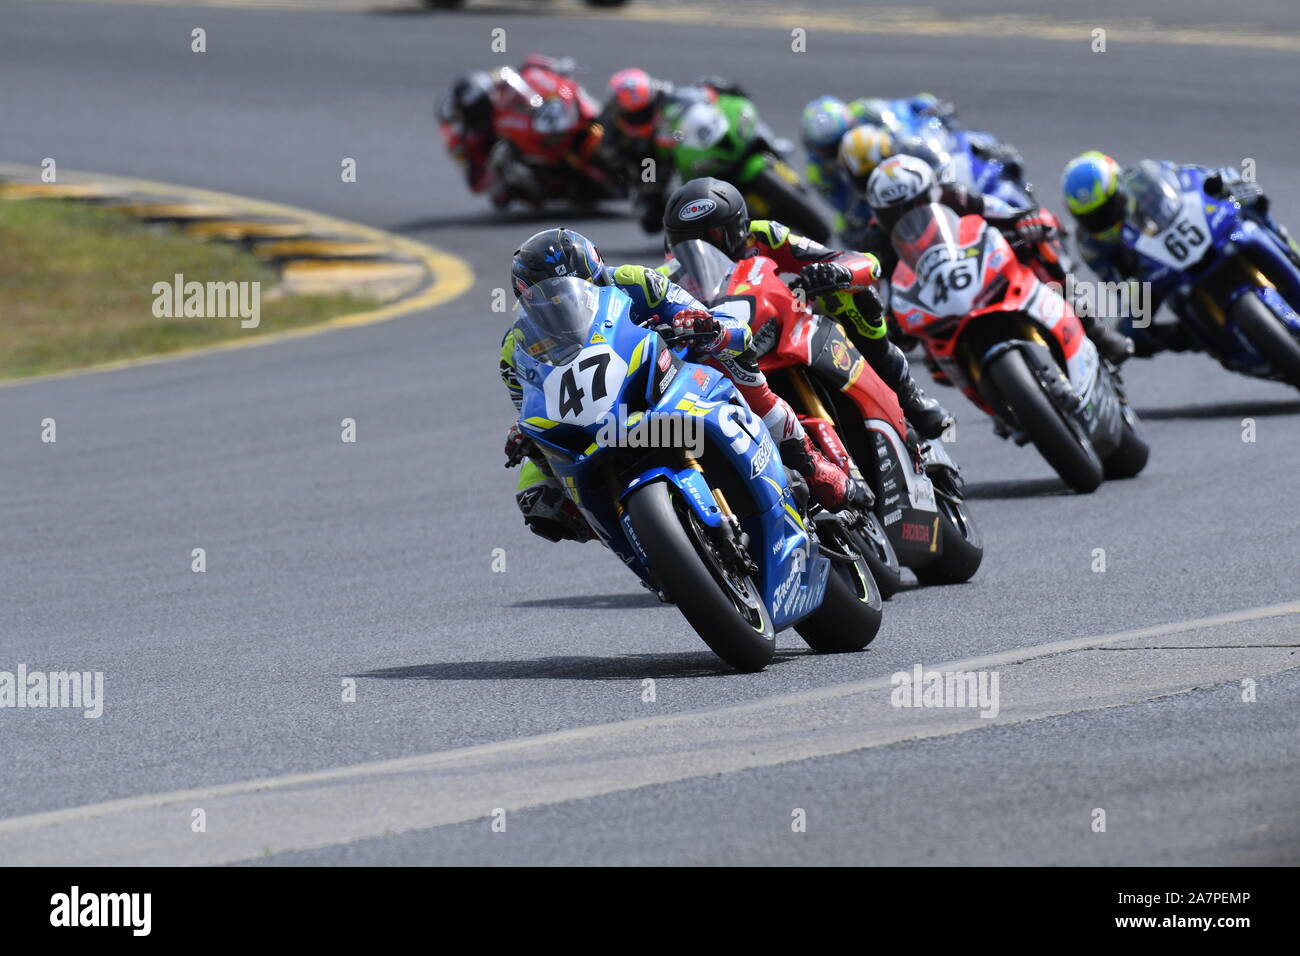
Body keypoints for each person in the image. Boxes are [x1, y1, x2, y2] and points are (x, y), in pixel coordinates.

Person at [500, 228, 870, 543]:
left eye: (575, 286)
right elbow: (530, 401)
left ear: (594, 271)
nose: (565, 299)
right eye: (551, 294)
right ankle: (636, 535)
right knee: (535, 496)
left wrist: (705, 326)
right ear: (528, 297)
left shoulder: (633, 279)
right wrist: (523, 434)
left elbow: (704, 315)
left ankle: (808, 462)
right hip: (593, 413)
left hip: (664, 374)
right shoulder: (514, 346)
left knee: (730, 357)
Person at [660, 177, 955, 440]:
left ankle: (908, 395)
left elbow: (860, 260)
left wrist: (837, 273)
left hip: (783, 322)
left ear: (738, 225)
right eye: (686, 241)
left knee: (851, 296)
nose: (702, 250)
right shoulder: (666, 277)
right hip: (728, 353)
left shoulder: (763, 235)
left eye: (711, 236)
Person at [859, 154, 1135, 364]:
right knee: (911, 356)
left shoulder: (955, 195)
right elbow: (878, 295)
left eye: (915, 205)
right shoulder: (876, 241)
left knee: (1037, 249)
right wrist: (886, 322)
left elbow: (1001, 211)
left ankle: (1093, 329)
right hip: (934, 302)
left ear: (931, 193)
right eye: (894, 213)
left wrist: (1024, 220)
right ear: (880, 215)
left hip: (978, 267)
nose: (908, 217)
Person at [1062, 150, 1300, 356]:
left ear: (1119, 191)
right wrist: (1137, 295)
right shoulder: (1091, 245)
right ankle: (1209, 341)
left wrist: (1227, 184)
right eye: (1093, 218)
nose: (1102, 221)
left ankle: (1290, 251)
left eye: (1106, 210)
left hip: (1204, 232)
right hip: (1164, 275)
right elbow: (1116, 284)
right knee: (1133, 335)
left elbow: (1192, 178)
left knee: (1252, 213)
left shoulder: (1144, 178)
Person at [599, 68, 747, 232]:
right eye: (634, 114)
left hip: (682, 139)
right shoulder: (612, 123)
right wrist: (645, 185)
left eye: (644, 111)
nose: (640, 117)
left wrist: (712, 92)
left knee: (728, 95)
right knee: (650, 217)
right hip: (652, 159)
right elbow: (611, 155)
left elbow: (697, 96)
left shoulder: (666, 96)